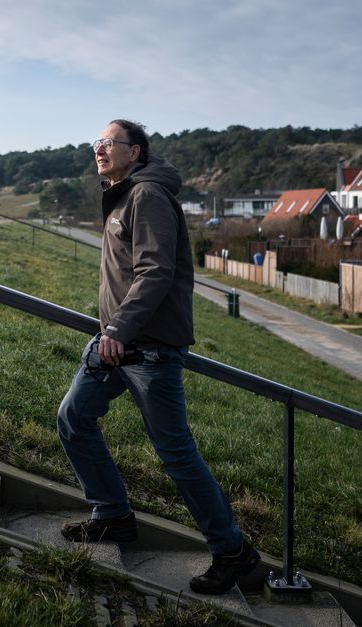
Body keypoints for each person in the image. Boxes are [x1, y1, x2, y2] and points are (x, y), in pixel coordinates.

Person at [55, 119, 259, 595]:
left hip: (146, 349)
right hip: (115, 343)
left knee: (175, 453)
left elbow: (154, 271)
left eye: (110, 143)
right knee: (73, 418)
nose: (100, 149)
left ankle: (232, 551)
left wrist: (121, 328)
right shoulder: (125, 194)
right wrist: (111, 328)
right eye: (97, 143)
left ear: (137, 152)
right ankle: (112, 516)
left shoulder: (146, 195)